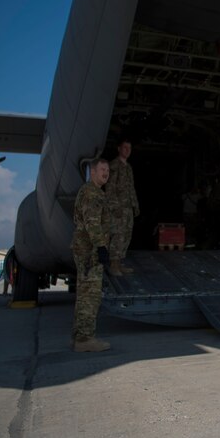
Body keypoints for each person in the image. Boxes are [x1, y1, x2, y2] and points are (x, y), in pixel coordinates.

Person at [71, 158, 112, 352]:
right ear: (93, 172)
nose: (106, 173)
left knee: (85, 293)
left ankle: (80, 336)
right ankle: (85, 339)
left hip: (87, 248)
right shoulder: (91, 192)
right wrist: (101, 247)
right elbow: (92, 222)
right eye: (102, 169)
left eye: (108, 170)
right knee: (90, 295)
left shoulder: (94, 192)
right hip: (90, 250)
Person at [106, 139, 139, 275]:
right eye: (125, 148)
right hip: (118, 208)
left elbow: (131, 188)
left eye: (129, 148)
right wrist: (114, 207)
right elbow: (110, 188)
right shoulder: (114, 165)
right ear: (119, 148)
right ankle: (113, 265)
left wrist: (135, 205)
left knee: (126, 236)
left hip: (128, 208)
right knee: (117, 236)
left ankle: (119, 264)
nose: (127, 150)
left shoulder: (128, 167)